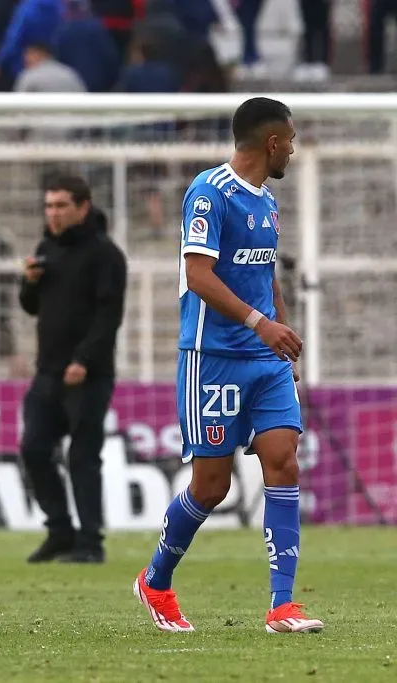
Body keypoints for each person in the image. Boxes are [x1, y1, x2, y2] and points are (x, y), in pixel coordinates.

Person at [134, 97, 323, 634]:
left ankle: (282, 605)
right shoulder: (208, 193)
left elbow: (267, 277)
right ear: (271, 142)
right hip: (211, 359)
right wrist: (260, 324)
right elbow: (198, 275)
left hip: (264, 361)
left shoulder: (266, 202)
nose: (292, 148)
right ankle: (156, 580)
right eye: (289, 140)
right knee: (211, 487)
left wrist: (280, 338)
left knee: (284, 461)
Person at [19, 175, 126, 564]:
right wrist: (28, 284)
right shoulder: (46, 247)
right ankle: (59, 530)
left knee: (83, 456)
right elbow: (32, 307)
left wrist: (84, 359)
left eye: (61, 205)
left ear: (83, 206)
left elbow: (109, 316)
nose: (53, 213)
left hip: (89, 375)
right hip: (47, 372)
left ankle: (90, 542)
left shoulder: (105, 255)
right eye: (49, 206)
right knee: (33, 448)